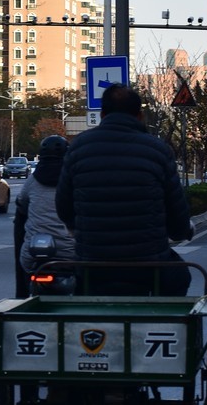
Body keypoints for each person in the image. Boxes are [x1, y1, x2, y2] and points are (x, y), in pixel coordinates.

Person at [55, 83, 194, 296]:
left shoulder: (78, 147)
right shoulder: (157, 150)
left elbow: (63, 206)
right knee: (181, 278)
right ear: (139, 115)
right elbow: (176, 208)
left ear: (102, 115)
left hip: (93, 262)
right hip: (148, 264)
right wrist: (181, 231)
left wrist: (83, 230)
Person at [13, 135, 76, 298]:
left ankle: (21, 294)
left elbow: (22, 204)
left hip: (33, 255)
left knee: (19, 222)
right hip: (71, 254)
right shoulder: (74, 179)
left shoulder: (32, 181)